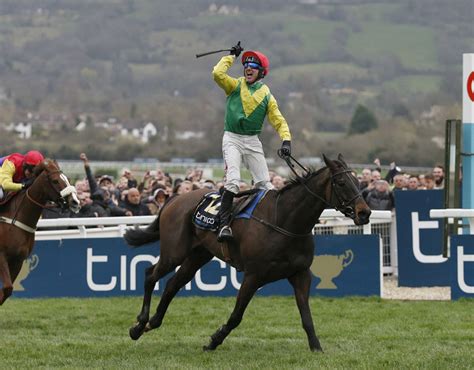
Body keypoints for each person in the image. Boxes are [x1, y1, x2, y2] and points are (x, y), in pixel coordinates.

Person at [212, 41, 292, 242]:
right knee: (233, 181)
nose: (248, 67)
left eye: (253, 65)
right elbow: (217, 74)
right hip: (232, 138)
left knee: (265, 185)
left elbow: (278, 120)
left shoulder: (267, 95)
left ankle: (270, 226)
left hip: (252, 141)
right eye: (246, 64)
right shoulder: (235, 85)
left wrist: (286, 140)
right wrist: (231, 56)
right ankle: (224, 226)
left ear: (261, 72)